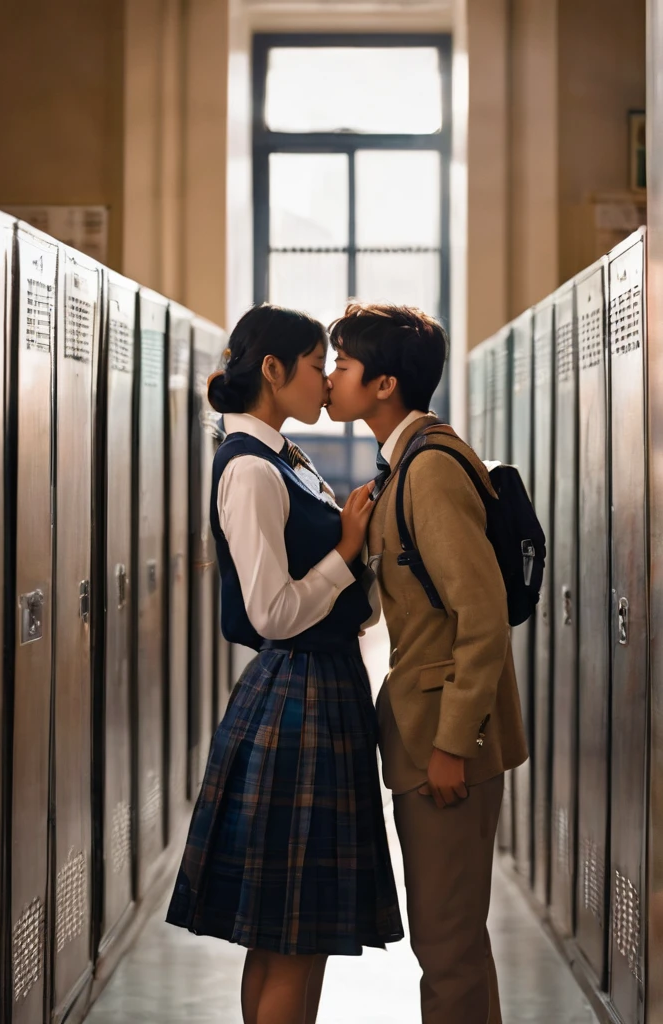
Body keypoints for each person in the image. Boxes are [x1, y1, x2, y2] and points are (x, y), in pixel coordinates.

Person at [166, 303, 403, 1024]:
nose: (325, 382)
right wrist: (344, 550)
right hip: (299, 694)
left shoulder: (279, 456)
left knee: (283, 939)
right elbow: (271, 611)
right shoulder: (250, 470)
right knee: (291, 943)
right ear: (272, 371)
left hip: (313, 689)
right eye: (312, 366)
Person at [326, 302, 529, 1024]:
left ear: (384, 385)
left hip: (448, 746)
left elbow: (481, 618)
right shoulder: (404, 466)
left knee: (446, 951)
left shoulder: (429, 471)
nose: (328, 380)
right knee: (456, 946)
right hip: (429, 732)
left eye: (342, 366)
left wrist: (450, 745)